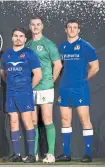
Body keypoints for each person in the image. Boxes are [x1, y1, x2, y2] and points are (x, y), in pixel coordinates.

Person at [56, 19, 99, 163]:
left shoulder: (86, 46)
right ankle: (66, 154)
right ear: (65, 30)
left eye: (75, 27)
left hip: (80, 88)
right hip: (64, 88)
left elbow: (95, 67)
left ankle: (87, 154)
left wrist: (84, 80)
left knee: (84, 120)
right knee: (65, 120)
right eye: (70, 27)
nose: (72, 29)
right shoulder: (61, 47)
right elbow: (58, 67)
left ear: (78, 30)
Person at [0, 28, 42, 163]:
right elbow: (3, 74)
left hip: (25, 93)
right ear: (12, 38)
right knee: (13, 122)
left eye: (21, 36)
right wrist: (12, 86)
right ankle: (16, 154)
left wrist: (28, 88)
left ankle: (31, 154)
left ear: (25, 39)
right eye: (16, 36)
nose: (18, 38)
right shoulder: (6, 55)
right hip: (11, 93)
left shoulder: (30, 54)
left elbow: (38, 75)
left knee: (27, 121)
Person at [26, 16, 63, 163]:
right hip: (31, 87)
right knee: (33, 120)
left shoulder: (49, 44)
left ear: (42, 26)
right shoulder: (27, 44)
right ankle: (34, 154)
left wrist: (51, 81)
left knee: (47, 119)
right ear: (30, 27)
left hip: (45, 87)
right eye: (33, 24)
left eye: (38, 24)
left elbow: (58, 65)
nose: (35, 27)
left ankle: (51, 154)